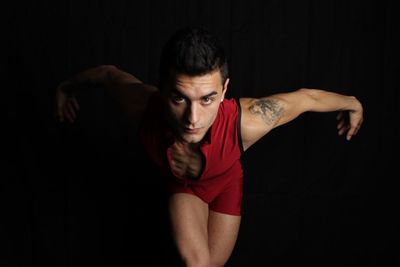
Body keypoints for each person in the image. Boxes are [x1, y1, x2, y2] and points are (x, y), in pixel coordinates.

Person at [55, 27, 364, 267]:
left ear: (224, 89)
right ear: (162, 89)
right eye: (179, 99)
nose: (193, 118)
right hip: (184, 187)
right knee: (198, 264)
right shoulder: (144, 107)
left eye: (207, 99)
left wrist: (352, 102)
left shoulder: (247, 122)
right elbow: (108, 74)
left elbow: (306, 98)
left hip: (228, 183)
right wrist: (66, 87)